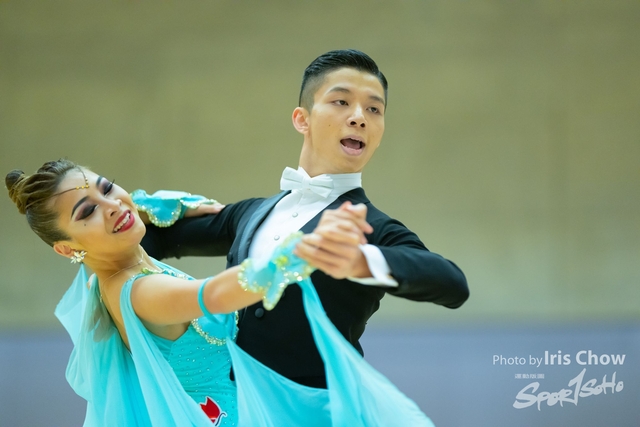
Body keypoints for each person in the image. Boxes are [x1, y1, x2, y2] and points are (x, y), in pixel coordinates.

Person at [7, 159, 437, 427]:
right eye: (88, 212)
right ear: (67, 248)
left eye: (107, 187)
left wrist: (146, 203)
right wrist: (295, 250)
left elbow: (122, 217)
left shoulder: (109, 269)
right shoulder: (139, 292)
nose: (113, 206)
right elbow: (216, 294)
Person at [141, 49, 470, 391]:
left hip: (317, 409)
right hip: (233, 406)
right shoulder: (250, 213)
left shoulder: (371, 227)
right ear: (302, 119)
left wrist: (360, 260)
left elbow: (453, 284)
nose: (359, 117)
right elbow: (153, 239)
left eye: (374, 109)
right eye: (341, 101)